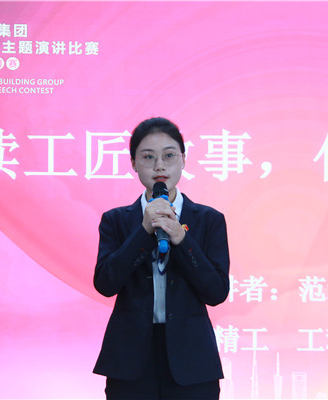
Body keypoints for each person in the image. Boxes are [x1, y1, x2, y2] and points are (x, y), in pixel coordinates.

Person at [93, 117, 230, 399]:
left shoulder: (209, 220)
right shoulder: (116, 220)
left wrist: (181, 239)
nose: (159, 166)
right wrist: (143, 230)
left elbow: (216, 292)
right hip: (130, 361)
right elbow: (106, 284)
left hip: (192, 360)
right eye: (148, 157)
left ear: (183, 160)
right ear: (133, 163)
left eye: (169, 156)